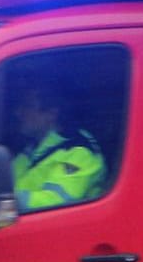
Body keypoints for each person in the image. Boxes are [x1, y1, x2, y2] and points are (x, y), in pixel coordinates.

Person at [10, 79, 105, 210]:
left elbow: (57, 202)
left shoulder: (79, 152)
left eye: (27, 106)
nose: (18, 112)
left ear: (51, 114)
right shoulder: (35, 146)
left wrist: (6, 201)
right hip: (16, 223)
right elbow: (7, 180)